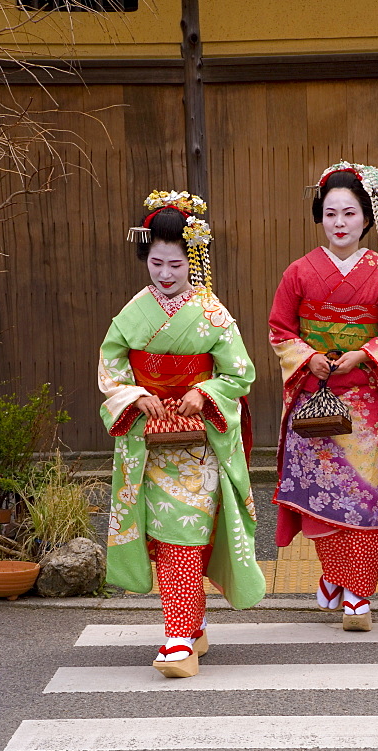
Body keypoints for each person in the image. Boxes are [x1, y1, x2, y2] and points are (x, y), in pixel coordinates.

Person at [99, 189, 265, 676]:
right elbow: (111, 369)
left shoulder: (213, 313)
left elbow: (241, 373)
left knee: (186, 533)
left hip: (197, 445)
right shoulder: (132, 315)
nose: (166, 274)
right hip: (149, 439)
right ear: (145, 258)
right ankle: (189, 627)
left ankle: (176, 642)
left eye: (175, 263)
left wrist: (206, 390)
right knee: (162, 537)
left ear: (191, 260)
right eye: (156, 263)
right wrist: (133, 396)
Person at [269, 161, 378, 631]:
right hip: (316, 398)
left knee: (364, 499)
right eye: (331, 214)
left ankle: (357, 595)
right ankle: (335, 573)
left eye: (349, 214)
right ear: (320, 216)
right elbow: (280, 329)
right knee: (323, 496)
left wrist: (365, 354)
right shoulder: (299, 272)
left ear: (367, 218)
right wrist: (306, 356)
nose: (340, 224)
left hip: (367, 406)